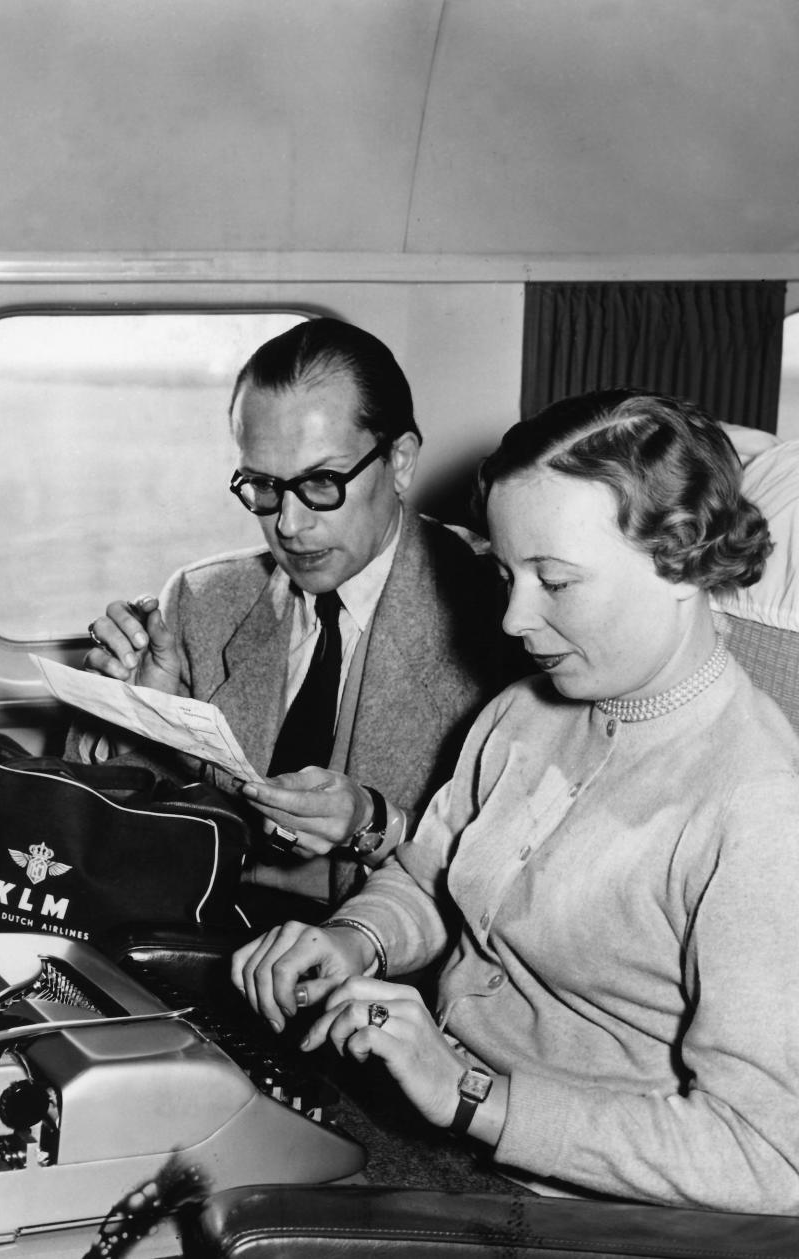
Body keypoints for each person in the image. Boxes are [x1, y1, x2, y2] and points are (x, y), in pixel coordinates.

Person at [232, 389, 799, 1213]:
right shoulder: (528, 708)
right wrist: (357, 941)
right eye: (506, 572)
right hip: (437, 1120)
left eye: (556, 581)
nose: (514, 616)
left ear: (680, 559)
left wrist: (473, 1094)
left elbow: (770, 1157)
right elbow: (433, 873)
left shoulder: (760, 811)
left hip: (580, 1208)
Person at [77, 317, 511, 913]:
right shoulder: (203, 600)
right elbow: (129, 832)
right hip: (202, 929)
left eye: (323, 481)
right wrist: (136, 717)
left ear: (401, 462)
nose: (288, 525)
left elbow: (517, 873)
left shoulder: (504, 614)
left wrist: (376, 826)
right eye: (263, 485)